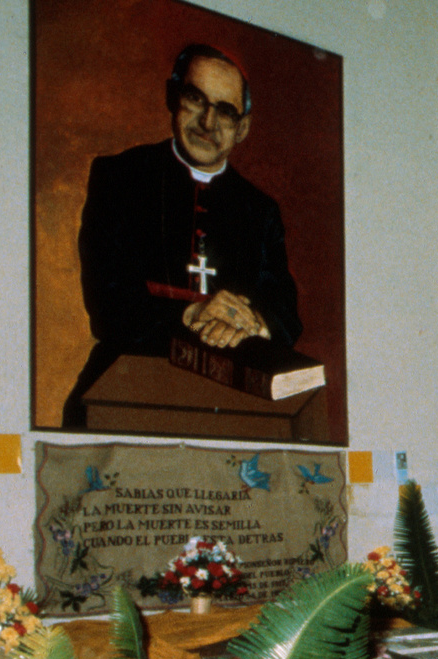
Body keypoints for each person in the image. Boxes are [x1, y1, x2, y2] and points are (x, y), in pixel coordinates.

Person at [63, 43, 303, 427]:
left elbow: (286, 310)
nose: (208, 122)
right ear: (172, 98)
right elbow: (108, 306)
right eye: (195, 99)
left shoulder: (259, 210)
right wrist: (193, 313)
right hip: (127, 384)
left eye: (225, 112)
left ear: (243, 127)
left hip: (231, 395)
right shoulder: (119, 177)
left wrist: (252, 321)